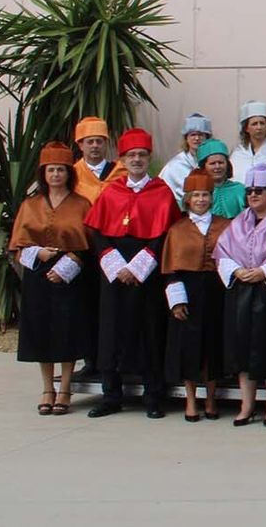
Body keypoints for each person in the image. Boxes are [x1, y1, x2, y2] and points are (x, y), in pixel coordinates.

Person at [84, 127, 176, 419]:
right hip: (113, 270)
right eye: (131, 155)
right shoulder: (111, 192)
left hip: (146, 272)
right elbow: (97, 231)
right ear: (122, 159)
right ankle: (111, 394)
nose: (137, 160)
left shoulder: (161, 192)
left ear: (149, 158)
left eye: (142, 155)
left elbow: (165, 235)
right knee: (111, 330)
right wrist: (114, 263)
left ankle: (152, 395)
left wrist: (138, 266)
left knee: (149, 330)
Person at [11, 141, 95, 417]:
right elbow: (18, 245)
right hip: (38, 273)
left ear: (68, 173)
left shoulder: (81, 204)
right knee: (42, 331)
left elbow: (90, 243)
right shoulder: (30, 204)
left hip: (70, 273)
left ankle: (66, 386)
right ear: (43, 174)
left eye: (61, 169)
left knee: (66, 330)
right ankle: (47, 387)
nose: (56, 175)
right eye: (51, 170)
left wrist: (73, 260)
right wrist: (39, 253)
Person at [215, 163, 266, 427]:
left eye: (259, 191)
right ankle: (246, 405)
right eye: (249, 191)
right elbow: (222, 251)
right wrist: (236, 270)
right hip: (241, 293)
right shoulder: (239, 221)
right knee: (242, 349)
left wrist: (265, 271)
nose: (253, 196)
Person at [162, 169, 231, 421]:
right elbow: (170, 268)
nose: (201, 200)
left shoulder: (225, 225)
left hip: (216, 290)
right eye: (196, 195)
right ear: (187, 199)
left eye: (205, 195)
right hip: (187, 290)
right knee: (188, 347)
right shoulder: (177, 229)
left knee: (213, 346)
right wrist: (177, 301)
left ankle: (211, 399)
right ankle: (190, 400)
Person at [159, 113, 212, 201]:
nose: (197, 138)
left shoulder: (213, 162)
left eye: (201, 135)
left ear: (207, 138)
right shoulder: (174, 166)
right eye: (193, 135)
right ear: (186, 138)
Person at [71, 116, 122, 203]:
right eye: (90, 142)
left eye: (99, 141)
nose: (95, 145)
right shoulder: (73, 174)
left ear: (105, 143)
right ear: (81, 145)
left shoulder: (120, 172)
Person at [230, 100, 266, 184]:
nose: (259, 127)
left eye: (262, 123)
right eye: (254, 124)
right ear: (246, 128)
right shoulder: (238, 152)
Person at [196, 139, 246, 218]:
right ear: (204, 167)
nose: (217, 167)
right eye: (212, 163)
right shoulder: (196, 192)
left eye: (221, 162)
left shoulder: (240, 190)